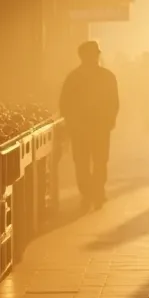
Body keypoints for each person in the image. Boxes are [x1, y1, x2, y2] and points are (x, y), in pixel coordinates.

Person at [59, 41, 120, 209]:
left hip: (87, 128)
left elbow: (64, 103)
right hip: (93, 127)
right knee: (94, 161)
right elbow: (114, 102)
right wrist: (110, 120)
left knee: (87, 161)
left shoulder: (75, 77)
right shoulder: (105, 76)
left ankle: (92, 193)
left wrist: (71, 123)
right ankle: (94, 193)